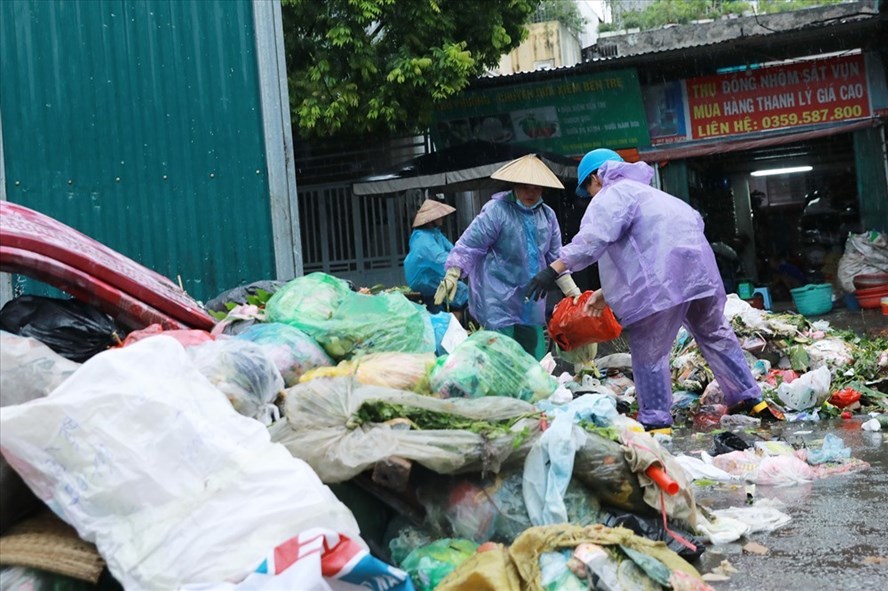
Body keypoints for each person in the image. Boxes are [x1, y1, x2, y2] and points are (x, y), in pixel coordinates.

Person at [526, 148, 776, 433]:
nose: (590, 195)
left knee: (649, 351)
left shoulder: (611, 195)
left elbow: (592, 241)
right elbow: (651, 250)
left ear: (596, 177)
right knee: (716, 335)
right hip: (701, 279)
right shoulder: (655, 196)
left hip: (662, 289)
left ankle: (656, 422)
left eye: (587, 187)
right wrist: (605, 293)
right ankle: (751, 399)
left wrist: (554, 269)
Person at [434, 154, 581, 360]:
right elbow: (470, 244)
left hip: (532, 298)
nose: (531, 192)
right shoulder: (497, 211)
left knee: (533, 356)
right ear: (514, 186)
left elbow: (555, 257)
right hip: (497, 298)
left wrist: (572, 292)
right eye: (525, 186)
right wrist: (453, 273)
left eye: (536, 187)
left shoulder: (547, 216)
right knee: (501, 357)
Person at [404, 199, 468, 312]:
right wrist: (459, 265)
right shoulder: (422, 239)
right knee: (462, 293)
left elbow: (453, 250)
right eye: (439, 216)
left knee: (463, 293)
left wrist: (465, 259)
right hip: (425, 281)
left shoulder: (435, 233)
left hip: (435, 277)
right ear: (431, 220)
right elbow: (439, 258)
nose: (442, 218)